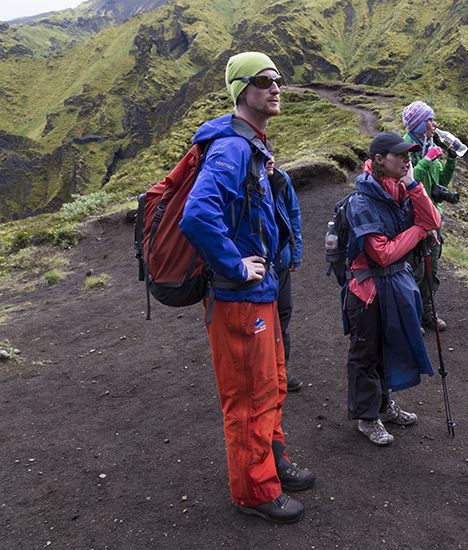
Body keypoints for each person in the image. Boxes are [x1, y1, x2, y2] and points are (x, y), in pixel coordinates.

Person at [179, 51, 314, 524]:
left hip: (262, 296)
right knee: (250, 398)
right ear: (241, 90)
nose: (276, 87)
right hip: (239, 300)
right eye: (263, 81)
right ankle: (255, 491)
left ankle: (273, 462)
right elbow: (196, 215)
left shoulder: (252, 145)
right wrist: (236, 267)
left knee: (273, 384)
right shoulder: (232, 148)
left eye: (278, 79)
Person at [343, 131, 441, 446]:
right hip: (368, 291)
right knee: (366, 353)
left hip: (394, 285)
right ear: (379, 160)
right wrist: (417, 231)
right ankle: (367, 418)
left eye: (408, 154)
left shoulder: (399, 190)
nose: (406, 159)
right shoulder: (361, 202)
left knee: (386, 347)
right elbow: (381, 253)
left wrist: (414, 185)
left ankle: (384, 406)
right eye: (400, 155)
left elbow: (433, 220)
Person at [402, 100, 458, 332]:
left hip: (435, 216)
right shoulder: (406, 147)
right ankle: (411, 317)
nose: (434, 125)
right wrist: (427, 159)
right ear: (418, 124)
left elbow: (441, 182)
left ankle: (428, 313)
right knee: (415, 269)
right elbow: (408, 182)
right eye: (430, 120)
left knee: (432, 268)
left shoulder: (429, 144)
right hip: (414, 218)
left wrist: (451, 158)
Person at [266, 150, 304, 393]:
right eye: (262, 154)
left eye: (270, 153)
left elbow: (293, 214)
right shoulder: (243, 183)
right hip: (259, 267)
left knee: (282, 314)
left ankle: (280, 370)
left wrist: (296, 252)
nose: (269, 158)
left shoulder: (281, 179)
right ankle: (263, 374)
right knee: (260, 321)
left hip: (280, 261)